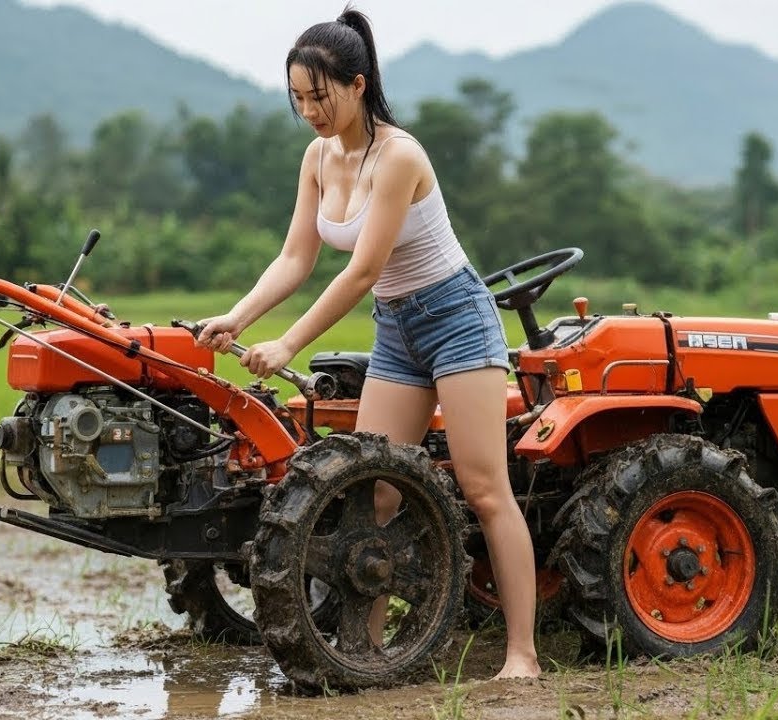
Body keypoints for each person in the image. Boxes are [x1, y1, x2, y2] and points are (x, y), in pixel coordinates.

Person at [195, 5, 541, 680]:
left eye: (319, 96)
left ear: (358, 85)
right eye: (298, 99)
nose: (310, 111)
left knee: (483, 486)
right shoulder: (319, 158)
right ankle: (367, 649)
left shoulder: (400, 155)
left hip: (456, 319)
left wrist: (288, 343)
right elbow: (295, 258)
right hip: (398, 328)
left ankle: (523, 654)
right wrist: (237, 318)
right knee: (375, 494)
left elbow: (361, 270)